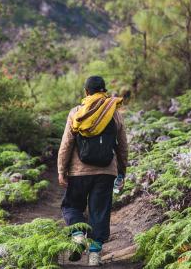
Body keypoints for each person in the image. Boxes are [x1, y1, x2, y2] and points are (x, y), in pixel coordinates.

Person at [57, 76, 128, 266]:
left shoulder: (77, 112)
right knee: (100, 211)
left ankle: (78, 235)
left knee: (71, 206)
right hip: (106, 172)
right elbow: (122, 147)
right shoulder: (114, 113)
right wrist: (121, 171)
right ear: (104, 91)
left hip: (79, 172)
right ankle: (95, 256)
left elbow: (66, 144)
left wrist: (61, 170)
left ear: (86, 92)